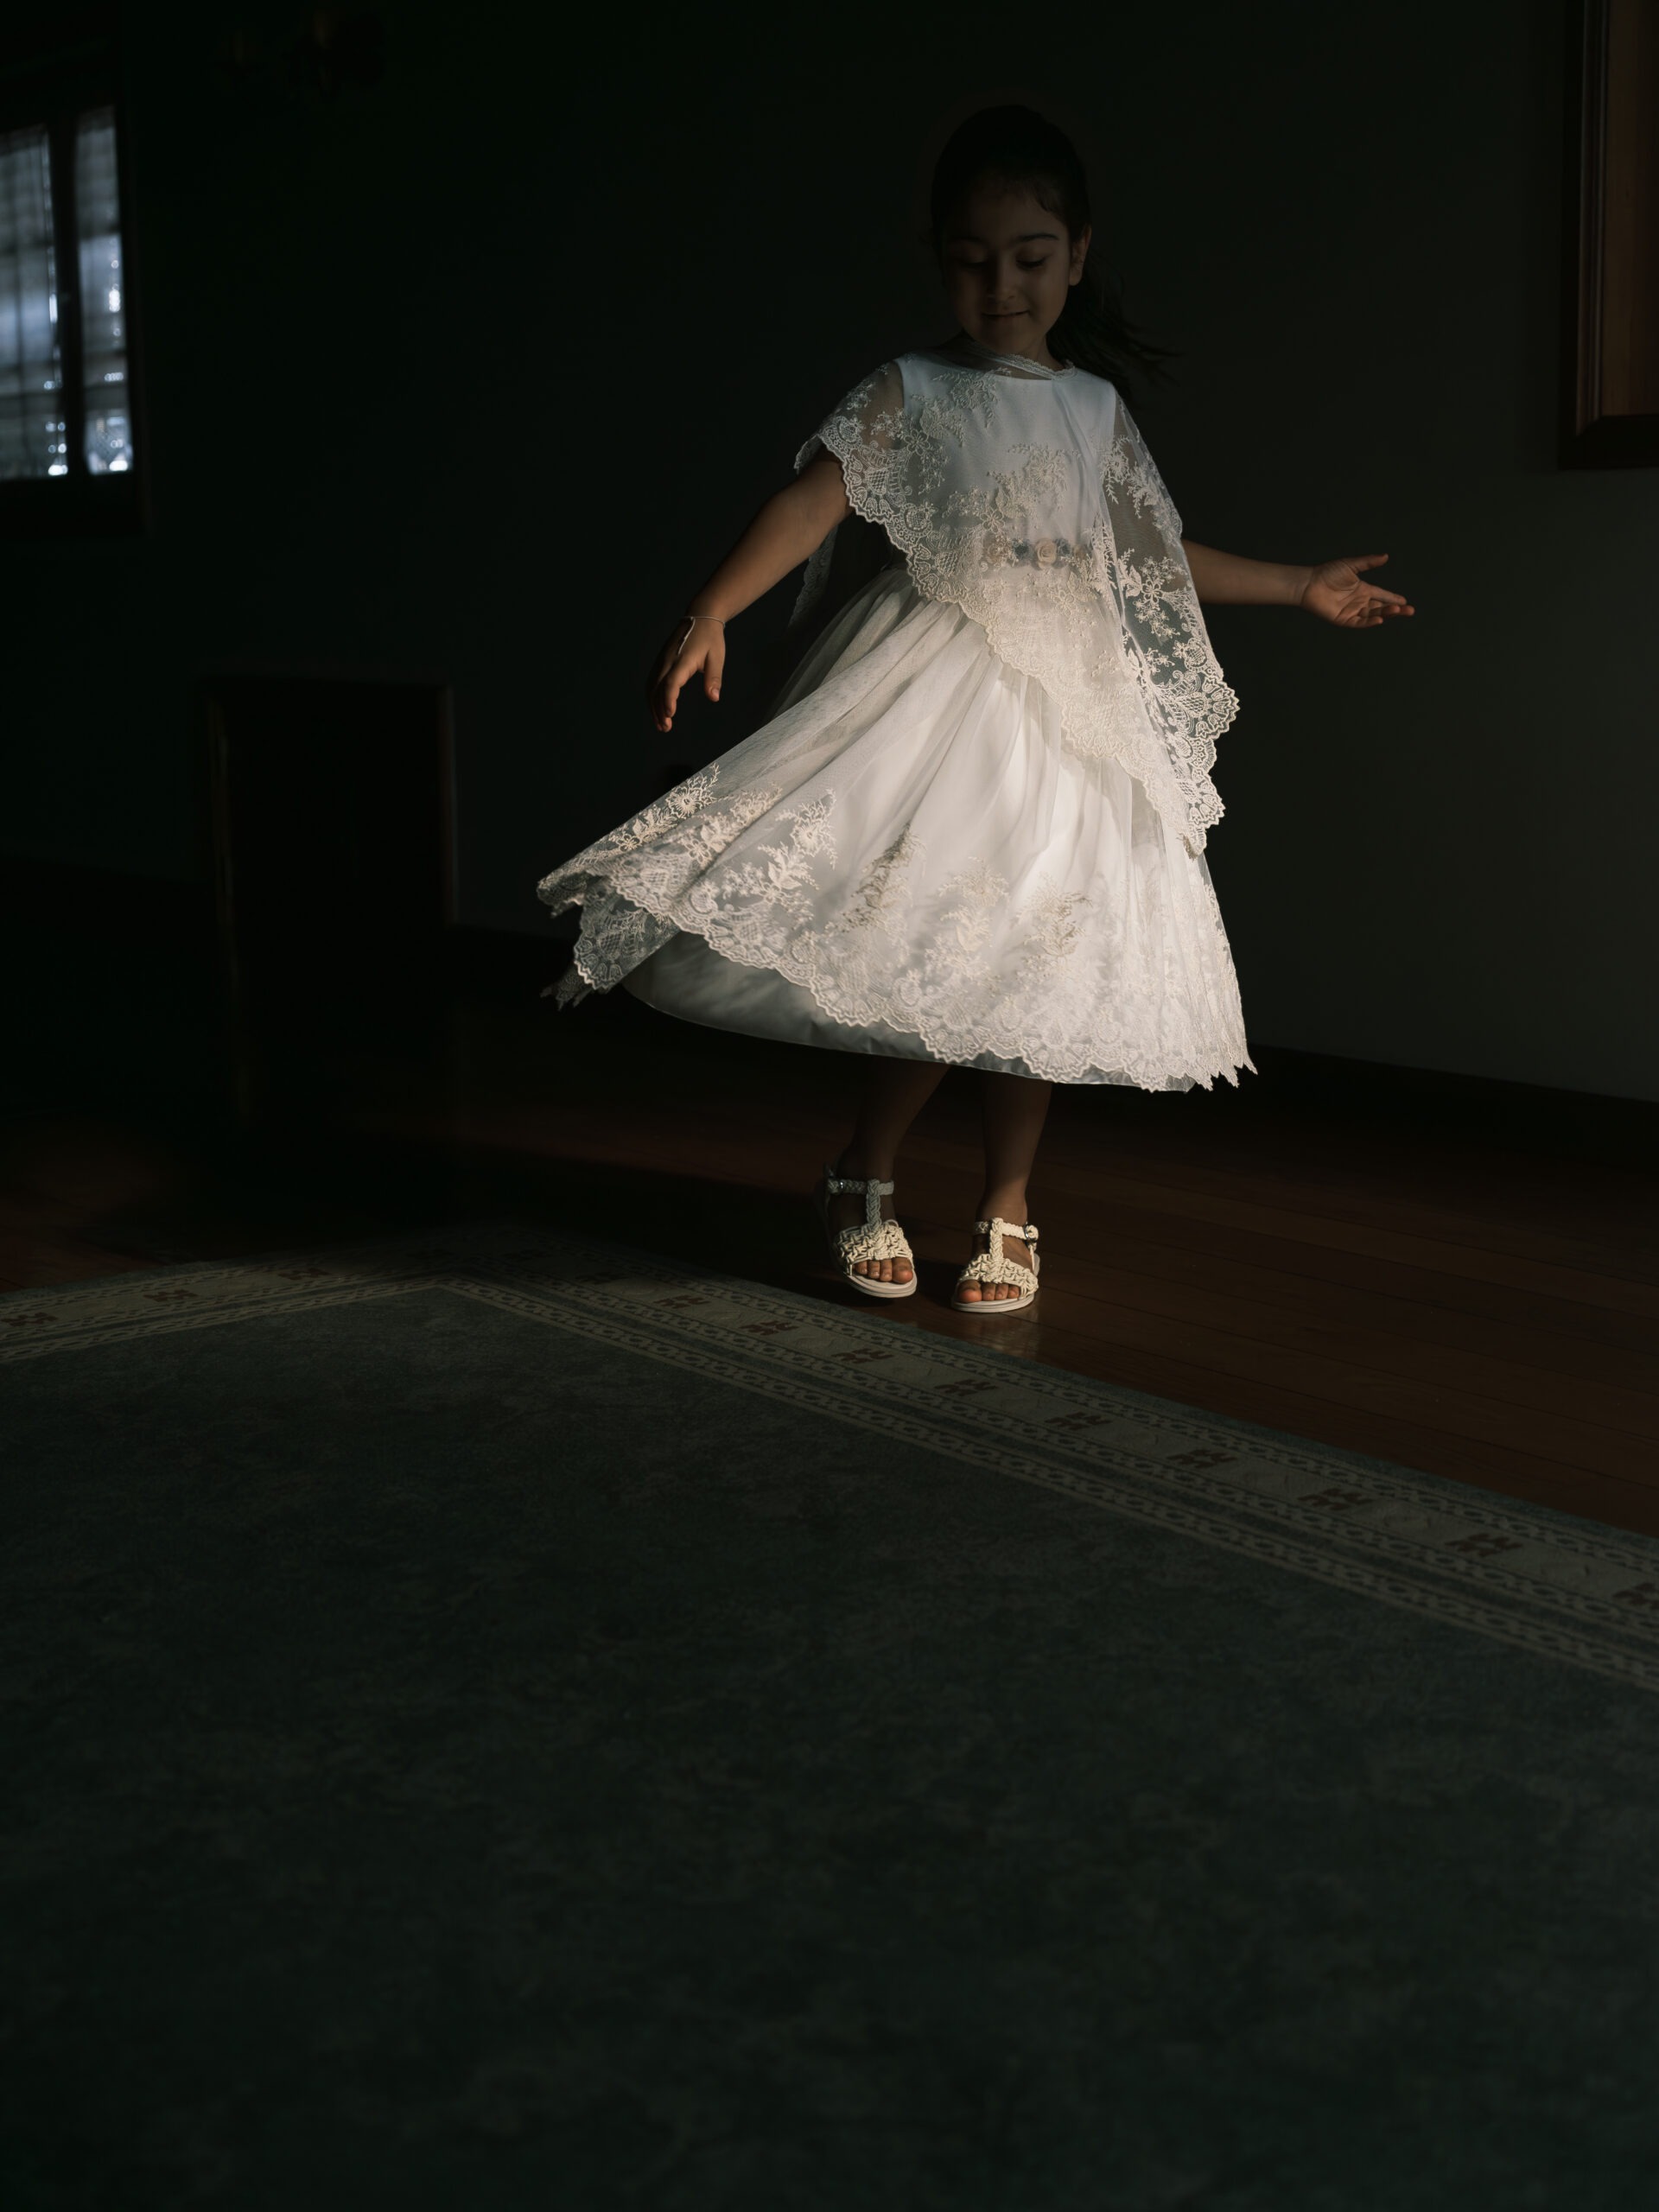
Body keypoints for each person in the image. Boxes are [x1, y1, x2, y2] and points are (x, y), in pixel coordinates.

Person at [537, 105, 1413, 1314]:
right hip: (945, 689)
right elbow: (812, 503)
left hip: (1073, 710)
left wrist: (1298, 582)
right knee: (941, 939)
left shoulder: (1095, 409)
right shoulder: (913, 389)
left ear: (1077, 255)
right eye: (972, 259)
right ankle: (865, 1172)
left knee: (1037, 952)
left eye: (1030, 258)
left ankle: (1008, 1202)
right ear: (939, 259)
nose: (1002, 287)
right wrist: (714, 608)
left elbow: (1146, 557)